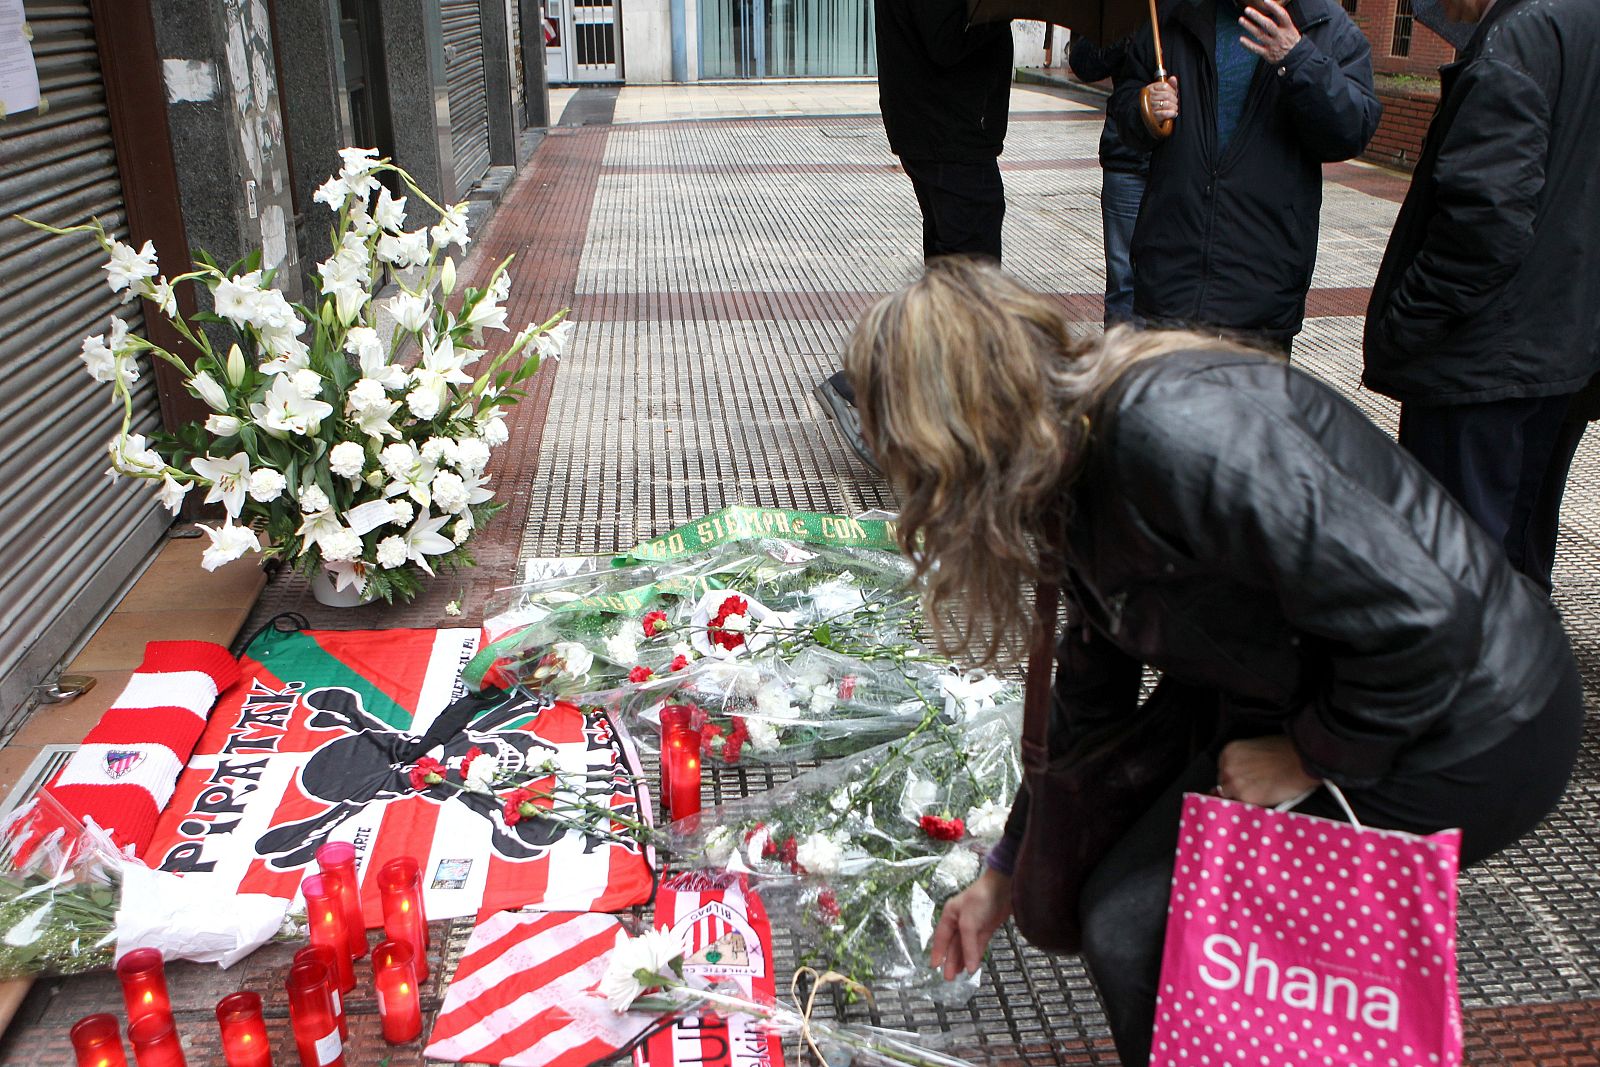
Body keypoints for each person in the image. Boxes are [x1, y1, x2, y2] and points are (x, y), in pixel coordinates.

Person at [843, 259, 1582, 1067]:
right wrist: (1004, 870)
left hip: (1470, 720)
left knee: (1141, 932)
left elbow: (1424, 619)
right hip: (1343, 698)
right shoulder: (1066, 457)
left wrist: (1307, 755)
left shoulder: (1169, 434)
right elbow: (1088, 695)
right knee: (1119, 914)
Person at [1361, 0, 1600, 593]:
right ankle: (1522, 679)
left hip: (1481, 359)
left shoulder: (1518, 38)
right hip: (1559, 347)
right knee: (1516, 568)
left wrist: (1404, 327)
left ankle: (1480, 681)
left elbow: (1481, 228)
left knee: (1457, 575)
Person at [1110, 0, 1379, 351]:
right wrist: (1144, 107)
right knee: (1168, 404)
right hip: (1173, 278)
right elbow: (1126, 103)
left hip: (1262, 288)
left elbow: (1350, 130)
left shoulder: (1325, 25)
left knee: (1252, 405)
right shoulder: (1177, 15)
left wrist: (1297, 59)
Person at [814, 0, 1012, 470]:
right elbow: (946, 42)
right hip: (949, 137)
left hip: (942, 135)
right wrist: (999, 12)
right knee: (971, 296)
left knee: (953, 289)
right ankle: (872, 394)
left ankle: (931, 419)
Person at [1068, 34, 1151, 324]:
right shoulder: (1121, 14)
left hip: (1189, 161)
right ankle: (1121, 367)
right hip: (1127, 158)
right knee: (1124, 283)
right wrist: (1127, 32)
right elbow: (1084, 63)